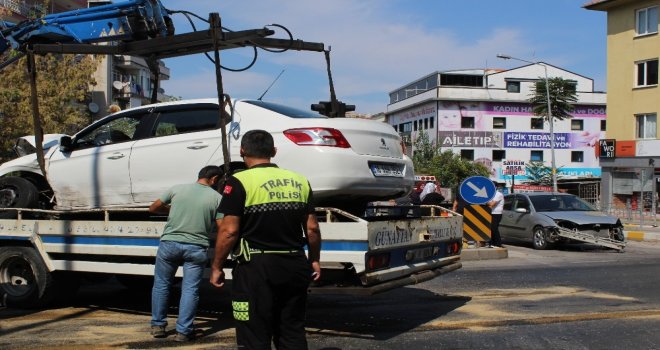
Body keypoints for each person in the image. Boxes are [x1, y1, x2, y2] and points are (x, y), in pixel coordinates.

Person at [210, 129, 322, 349]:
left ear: (242, 151)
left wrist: (217, 266)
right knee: (292, 330)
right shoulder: (300, 181)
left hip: (256, 268)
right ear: (274, 151)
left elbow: (229, 231)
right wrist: (314, 259)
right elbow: (312, 228)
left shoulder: (238, 181)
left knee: (254, 332)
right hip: (294, 264)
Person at [149, 165, 224, 342]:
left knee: (161, 285)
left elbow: (152, 208)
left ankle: (158, 326)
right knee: (190, 290)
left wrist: (172, 210)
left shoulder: (177, 189)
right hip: (196, 247)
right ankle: (183, 331)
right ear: (214, 179)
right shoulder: (217, 198)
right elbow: (222, 227)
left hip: (169, 245)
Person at [488, 181, 505, 248]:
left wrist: (485, 201)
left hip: (496, 213)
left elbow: (492, 204)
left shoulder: (498, 194)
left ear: (495, 187)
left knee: (494, 228)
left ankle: (498, 243)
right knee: (491, 228)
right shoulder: (490, 194)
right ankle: (492, 243)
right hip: (491, 213)